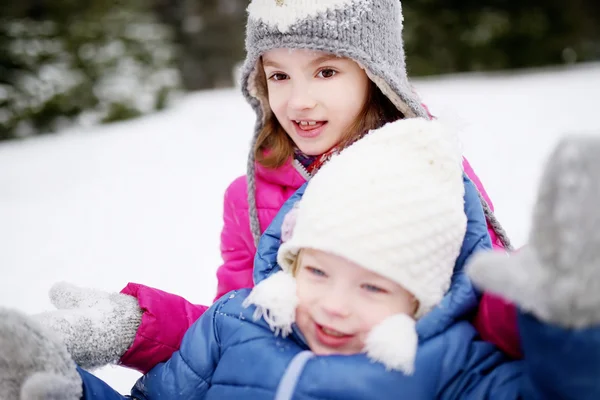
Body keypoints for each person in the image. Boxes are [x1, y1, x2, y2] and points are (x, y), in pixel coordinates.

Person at [34, 0, 518, 374]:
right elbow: (238, 330)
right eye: (279, 76)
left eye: (326, 72)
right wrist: (136, 328)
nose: (299, 100)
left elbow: (485, 297)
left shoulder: (425, 167)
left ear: (376, 76)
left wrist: (542, 309)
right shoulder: (249, 197)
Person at [3, 119, 600, 400]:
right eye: (316, 271)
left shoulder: (449, 368)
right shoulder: (234, 326)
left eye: (373, 288)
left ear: (422, 297)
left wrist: (570, 330)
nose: (334, 305)